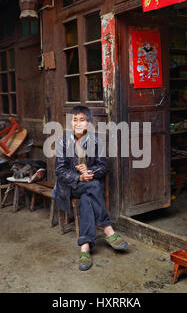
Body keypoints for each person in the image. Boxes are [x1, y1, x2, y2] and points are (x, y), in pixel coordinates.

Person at [54, 105, 128, 271]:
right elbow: (59, 170)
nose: (78, 123)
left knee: (89, 194)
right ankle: (107, 229)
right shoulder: (63, 142)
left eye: (82, 120)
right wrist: (79, 176)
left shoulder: (96, 141)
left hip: (89, 185)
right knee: (93, 186)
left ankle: (85, 248)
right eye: (75, 120)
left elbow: (103, 167)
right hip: (70, 186)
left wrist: (89, 172)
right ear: (70, 122)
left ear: (88, 122)